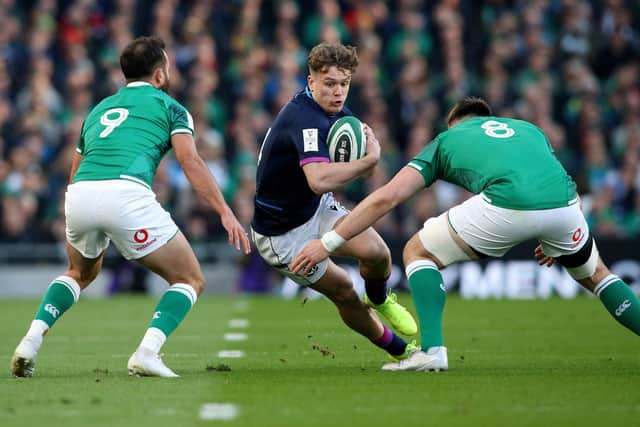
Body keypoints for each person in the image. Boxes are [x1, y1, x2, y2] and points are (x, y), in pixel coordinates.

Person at [292, 97, 640, 371]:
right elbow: (558, 182)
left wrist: (328, 243)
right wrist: (554, 234)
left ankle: (431, 351)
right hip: (566, 206)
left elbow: (388, 197)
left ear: (455, 122)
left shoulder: (448, 139)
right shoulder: (529, 129)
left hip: (508, 202)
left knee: (418, 251)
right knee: (597, 275)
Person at [10, 36, 251, 378]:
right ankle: (147, 352)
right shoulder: (171, 108)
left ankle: (30, 341)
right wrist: (226, 211)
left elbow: (76, 170)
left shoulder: (99, 109)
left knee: (79, 273)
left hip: (79, 192)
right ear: (159, 74)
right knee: (189, 278)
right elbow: (190, 161)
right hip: (125, 192)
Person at [251, 42, 418, 361]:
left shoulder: (340, 114)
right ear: (311, 82)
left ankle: (380, 298)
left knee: (378, 253)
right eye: (329, 84)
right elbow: (319, 180)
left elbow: (354, 175)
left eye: (344, 84)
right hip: (281, 234)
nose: (338, 92)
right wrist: (368, 162)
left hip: (314, 209)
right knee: (344, 291)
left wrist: (364, 163)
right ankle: (400, 350)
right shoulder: (304, 117)